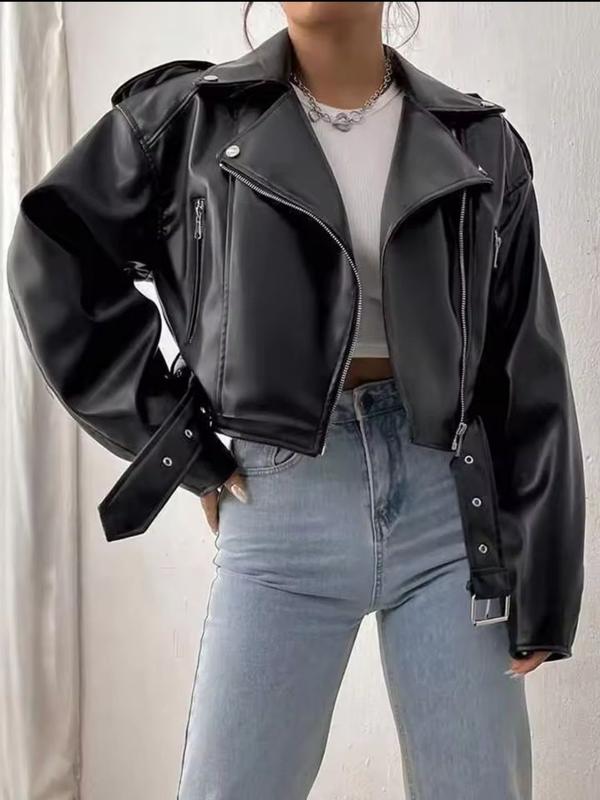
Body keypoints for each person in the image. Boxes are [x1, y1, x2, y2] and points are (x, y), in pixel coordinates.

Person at [7, 2, 585, 798]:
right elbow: (52, 252)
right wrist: (181, 443)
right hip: (279, 506)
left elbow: (528, 363)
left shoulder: (479, 141)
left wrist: (545, 578)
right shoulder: (187, 122)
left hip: (448, 511)